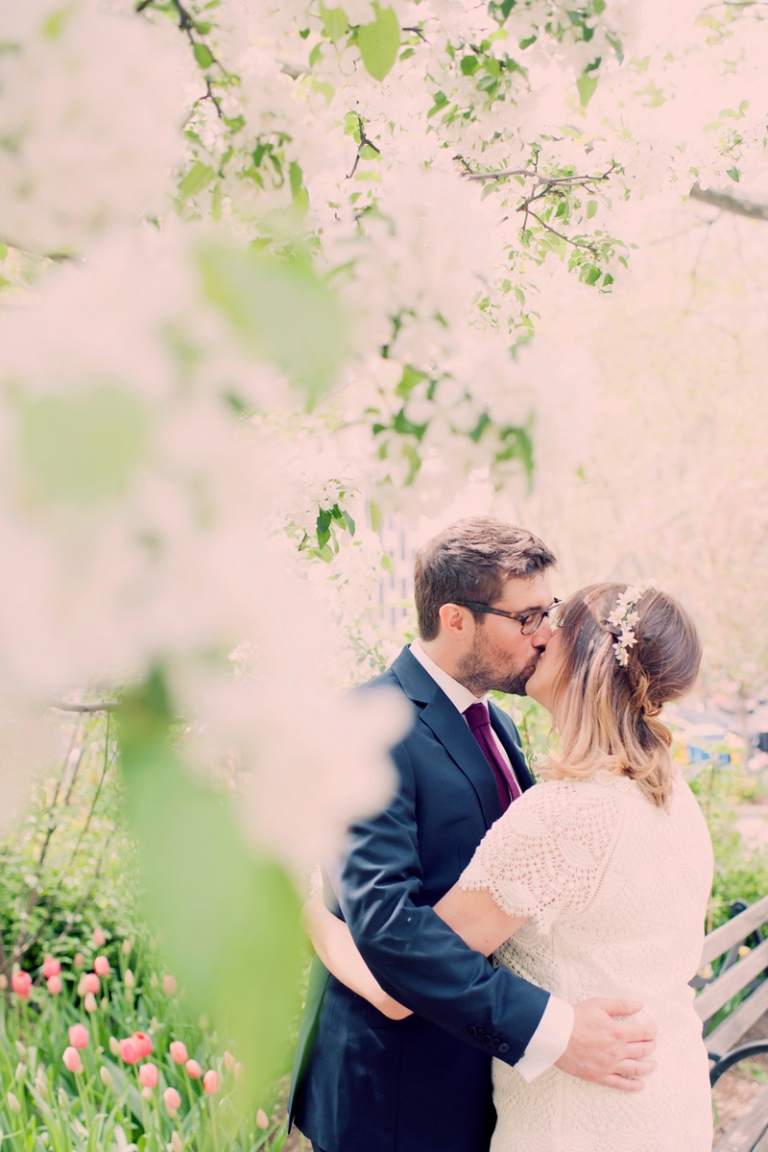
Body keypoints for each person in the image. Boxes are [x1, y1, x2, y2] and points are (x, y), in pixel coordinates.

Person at [303, 578, 714, 1151]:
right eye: (531, 618)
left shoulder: (568, 812)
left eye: (556, 622)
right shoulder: (671, 795)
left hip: (577, 1115)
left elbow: (396, 984)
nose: (540, 635)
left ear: (589, 657)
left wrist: (307, 911)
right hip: (665, 1097)